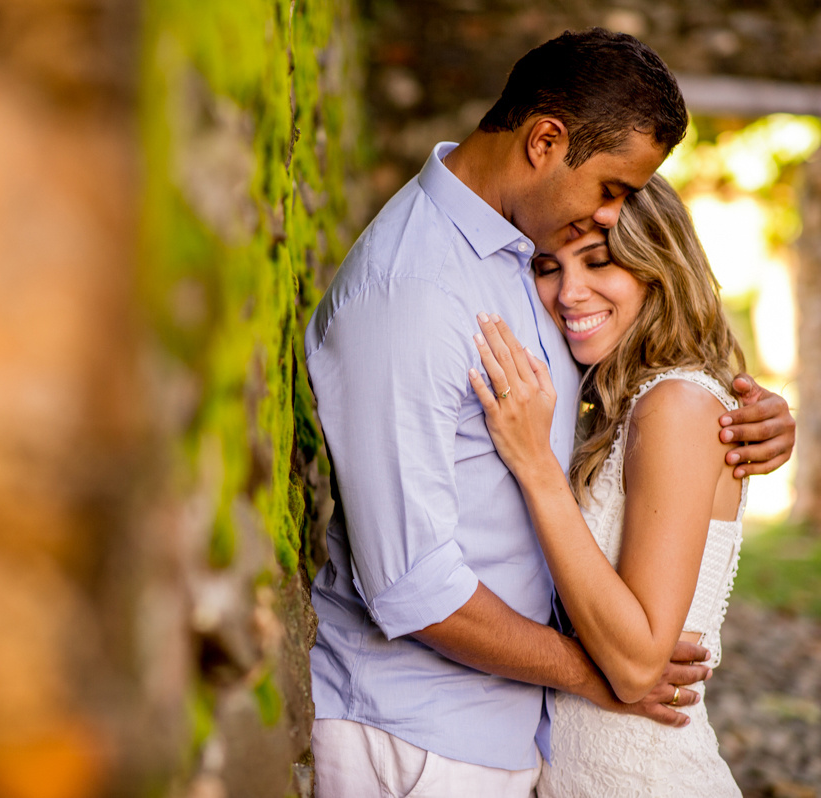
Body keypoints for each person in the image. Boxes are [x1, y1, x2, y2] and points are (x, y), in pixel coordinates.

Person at [304, 28, 795, 798]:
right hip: (412, 738)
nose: (605, 218)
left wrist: (752, 420)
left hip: (507, 741)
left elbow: (640, 412)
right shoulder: (412, 292)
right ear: (544, 142)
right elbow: (410, 585)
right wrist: (597, 676)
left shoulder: (519, 251)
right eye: (612, 188)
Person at [468, 174, 748, 796]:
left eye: (598, 261)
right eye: (548, 267)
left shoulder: (676, 405)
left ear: (658, 266)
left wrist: (536, 466)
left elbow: (637, 664)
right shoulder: (620, 407)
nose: (569, 293)